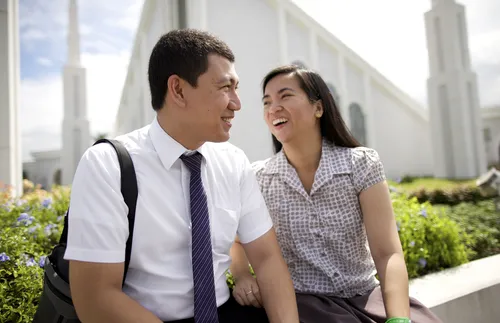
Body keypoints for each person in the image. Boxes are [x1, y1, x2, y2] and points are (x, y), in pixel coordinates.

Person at [63, 29, 300, 323]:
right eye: (225, 87)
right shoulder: (108, 164)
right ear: (177, 90)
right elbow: (96, 300)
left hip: (224, 313)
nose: (236, 103)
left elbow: (266, 260)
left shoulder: (234, 162)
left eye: (236, 88)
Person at [229, 65, 443, 323]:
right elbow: (237, 241)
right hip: (304, 305)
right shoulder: (259, 178)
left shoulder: (361, 164)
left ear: (318, 108)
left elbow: (388, 254)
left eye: (285, 96)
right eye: (267, 102)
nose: (273, 107)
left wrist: (398, 319)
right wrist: (242, 276)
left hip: (368, 298)